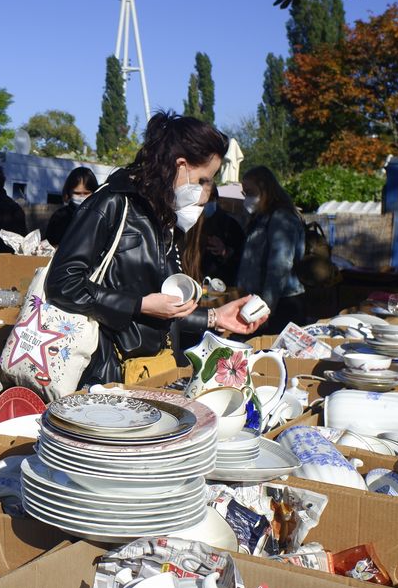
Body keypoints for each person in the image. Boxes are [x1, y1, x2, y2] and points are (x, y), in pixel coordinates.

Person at [47, 111, 268, 386]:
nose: (208, 191)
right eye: (204, 179)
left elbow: (163, 310)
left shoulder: (165, 217)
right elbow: (60, 284)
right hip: (107, 378)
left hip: (153, 373)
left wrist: (215, 317)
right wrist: (138, 305)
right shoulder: (112, 204)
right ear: (180, 166)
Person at [237, 166, 306, 334]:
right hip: (262, 302)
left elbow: (280, 265)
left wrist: (266, 308)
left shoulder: (282, 217)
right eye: (245, 193)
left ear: (265, 189)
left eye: (251, 192)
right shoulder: (262, 217)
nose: (247, 198)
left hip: (281, 304)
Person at [184, 185, 245, 286]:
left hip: (220, 284)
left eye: (210, 198)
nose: (206, 202)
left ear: (216, 200)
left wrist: (225, 251)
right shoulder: (190, 222)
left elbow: (241, 258)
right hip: (191, 281)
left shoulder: (229, 225)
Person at [45, 167, 99, 246]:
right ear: (69, 192)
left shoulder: (99, 217)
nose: (81, 197)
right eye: (77, 193)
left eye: (86, 193)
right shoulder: (60, 216)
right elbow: (50, 244)